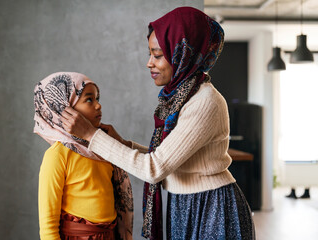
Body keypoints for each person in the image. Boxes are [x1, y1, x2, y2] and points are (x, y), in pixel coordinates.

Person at [60, 7, 255, 240]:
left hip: (211, 209)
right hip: (188, 205)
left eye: (158, 55)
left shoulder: (205, 102)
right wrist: (124, 144)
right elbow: (168, 159)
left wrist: (92, 136)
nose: (149, 63)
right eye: (150, 54)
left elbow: (154, 169)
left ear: (182, 53)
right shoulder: (181, 97)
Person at [33, 72, 133, 240]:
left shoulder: (104, 148)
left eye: (97, 99)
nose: (98, 105)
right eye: (89, 99)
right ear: (65, 108)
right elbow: (48, 224)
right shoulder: (58, 155)